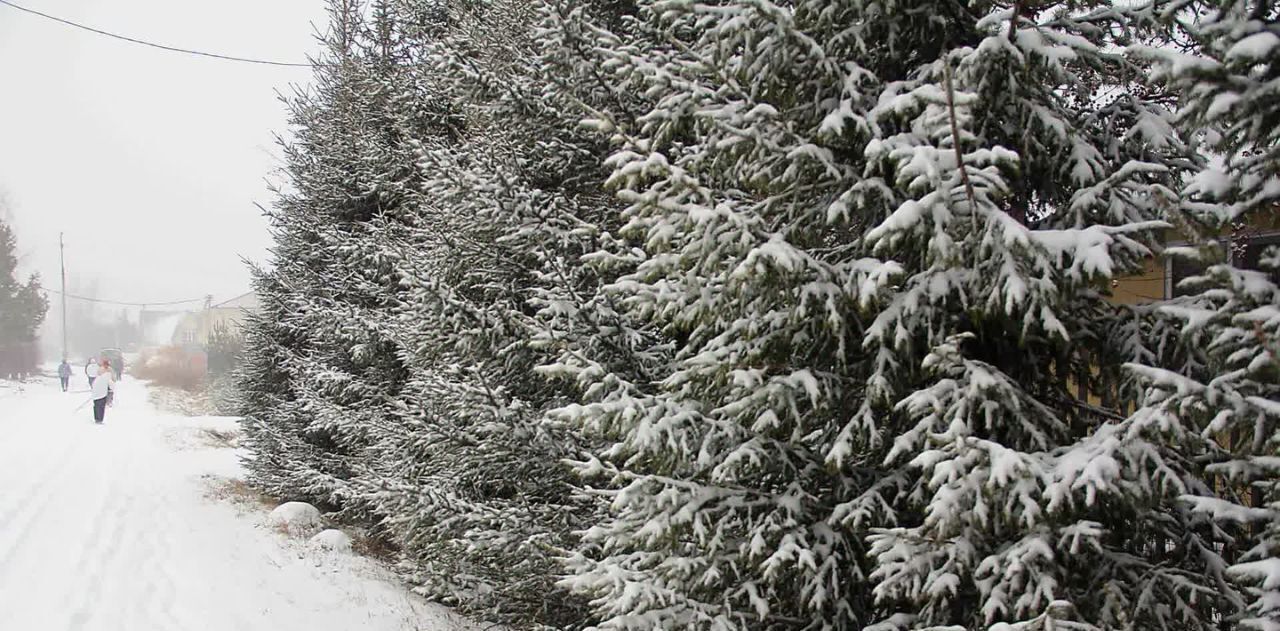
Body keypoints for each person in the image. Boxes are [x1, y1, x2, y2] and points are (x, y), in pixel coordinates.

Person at [91, 357, 115, 424]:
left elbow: (113, 378)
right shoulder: (103, 371)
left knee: (97, 405)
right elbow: (111, 380)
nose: (106, 366)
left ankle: (97, 418)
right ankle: (99, 419)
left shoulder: (109, 370)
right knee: (100, 405)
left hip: (100, 390)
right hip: (102, 390)